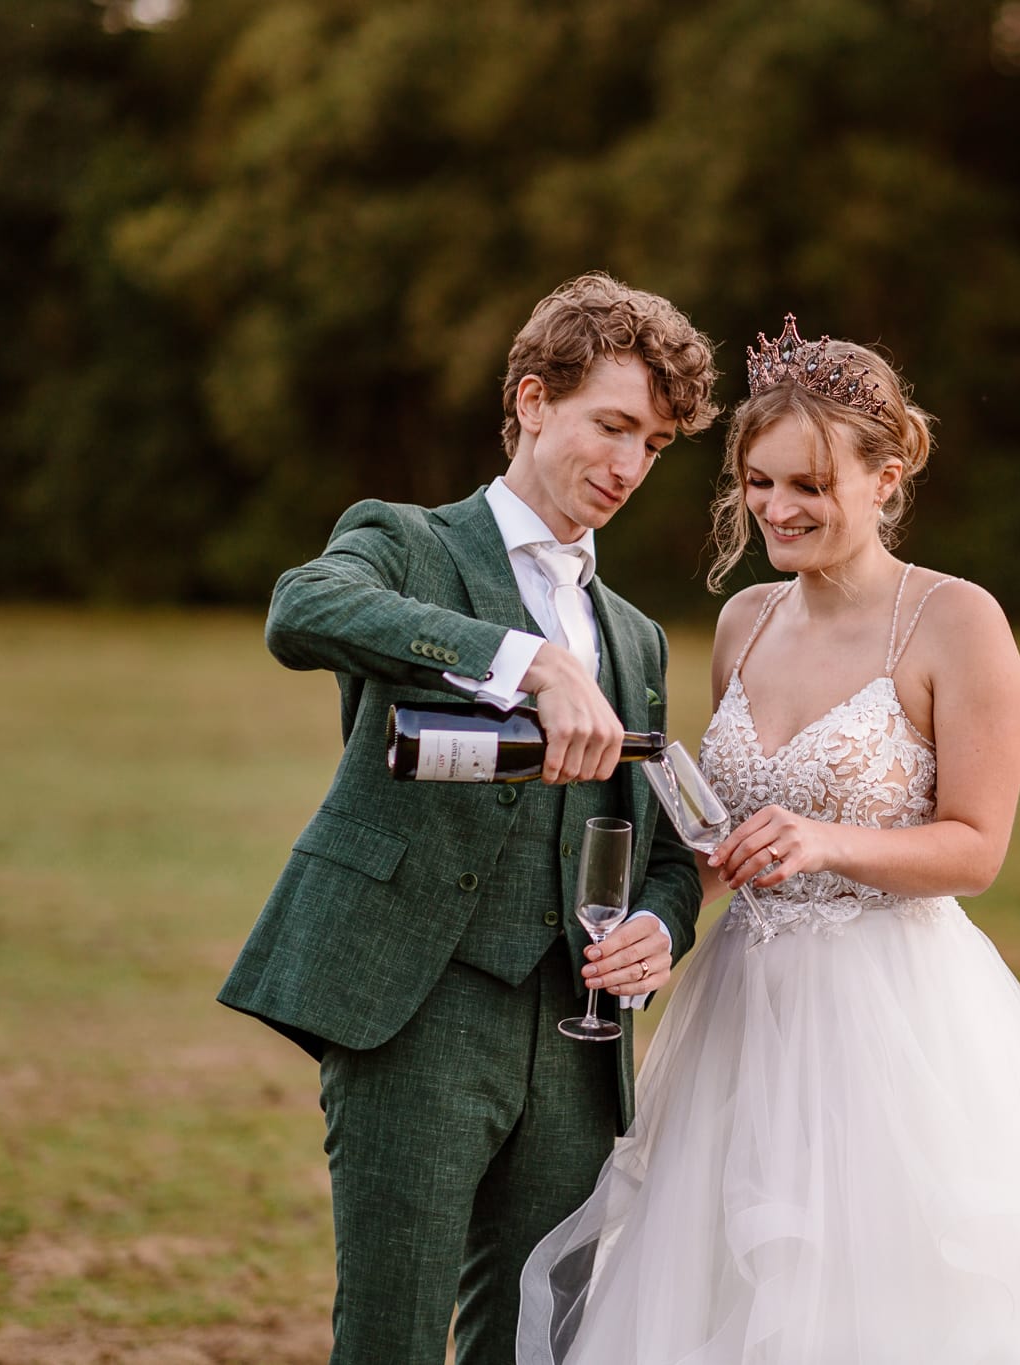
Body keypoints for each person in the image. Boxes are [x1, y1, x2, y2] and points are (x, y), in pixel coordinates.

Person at [517, 317, 1020, 1363]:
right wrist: (671, 920)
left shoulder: (955, 622)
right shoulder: (746, 622)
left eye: (807, 485)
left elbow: (975, 850)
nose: (776, 510)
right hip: (741, 1019)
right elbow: (723, 842)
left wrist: (826, 841)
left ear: (885, 479)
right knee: (732, 1286)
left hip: (891, 1022)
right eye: (758, 484)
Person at [218, 273, 719, 1364]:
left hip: (577, 1036)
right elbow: (302, 609)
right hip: (416, 1009)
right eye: (612, 426)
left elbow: (667, 850)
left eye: (656, 444)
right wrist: (525, 661)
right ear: (534, 401)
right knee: (392, 1339)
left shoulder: (635, 637)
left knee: (540, 1341)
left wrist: (662, 929)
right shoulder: (407, 543)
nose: (630, 466)